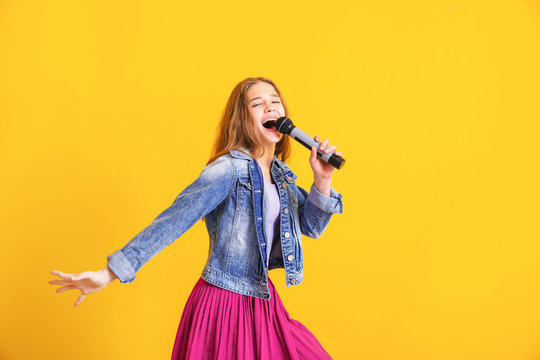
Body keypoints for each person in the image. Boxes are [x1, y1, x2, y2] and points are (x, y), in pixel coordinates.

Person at [49, 77, 344, 359]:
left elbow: (311, 228)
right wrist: (110, 272)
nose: (270, 108)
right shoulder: (227, 170)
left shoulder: (281, 177)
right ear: (242, 118)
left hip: (263, 303)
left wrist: (323, 179)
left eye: (275, 102)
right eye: (257, 104)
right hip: (224, 304)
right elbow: (172, 221)